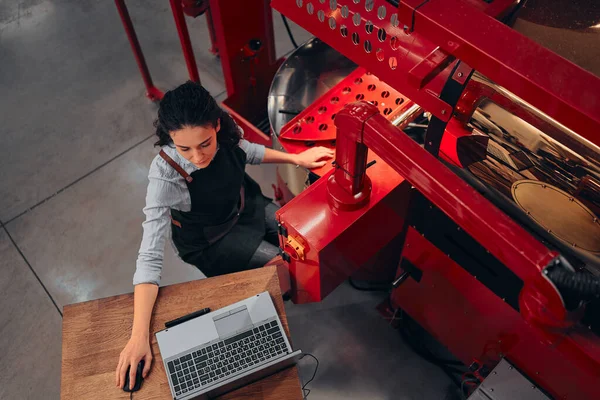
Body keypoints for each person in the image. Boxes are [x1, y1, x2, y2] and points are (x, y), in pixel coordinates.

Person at [115, 81, 333, 390]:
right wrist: (138, 338)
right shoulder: (164, 175)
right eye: (184, 148)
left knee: (297, 228)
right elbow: (149, 256)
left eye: (205, 143)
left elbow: (250, 152)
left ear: (216, 125)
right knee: (281, 269)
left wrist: (298, 159)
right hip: (213, 241)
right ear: (170, 139)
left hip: (245, 207)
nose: (198, 156)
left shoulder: (229, 133)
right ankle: (278, 304)